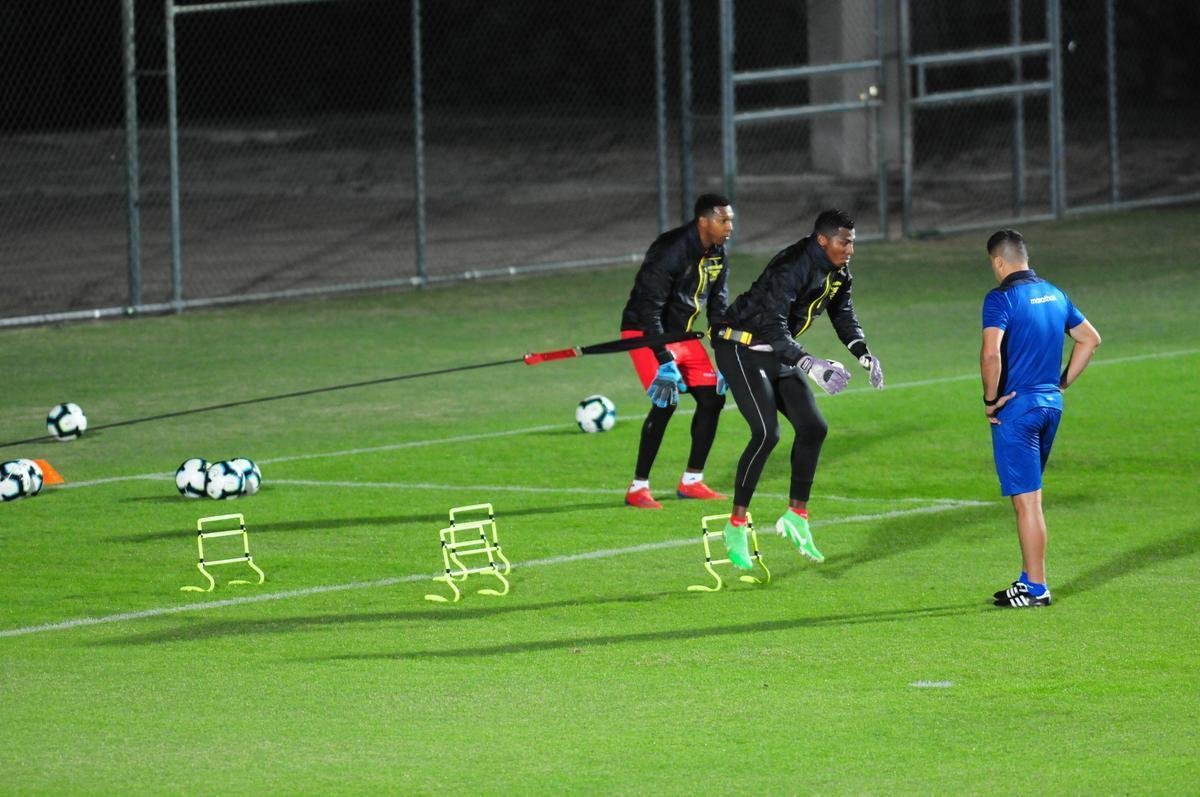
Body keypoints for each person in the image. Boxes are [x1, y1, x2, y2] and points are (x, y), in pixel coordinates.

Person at [711, 209, 884, 567]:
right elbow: (772, 324)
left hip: (776, 350)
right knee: (766, 434)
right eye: (844, 241)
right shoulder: (792, 265)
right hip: (740, 348)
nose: (850, 249)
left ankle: (796, 517)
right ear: (823, 240)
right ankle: (735, 526)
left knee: (813, 427)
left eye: (852, 241)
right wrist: (808, 362)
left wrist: (862, 353)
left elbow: (842, 313)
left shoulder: (837, 271)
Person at [981, 229, 1101, 608]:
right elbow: (1090, 340)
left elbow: (991, 355)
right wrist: (1060, 384)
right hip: (1050, 406)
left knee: (1028, 502)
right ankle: (1026, 577)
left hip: (1017, 410)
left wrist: (990, 400)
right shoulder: (1055, 294)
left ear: (999, 262)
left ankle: (1037, 587)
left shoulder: (1001, 298)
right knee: (1030, 497)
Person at [619, 194, 734, 509]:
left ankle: (692, 481)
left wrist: (723, 351)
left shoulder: (718, 252)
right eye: (724, 220)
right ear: (703, 221)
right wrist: (664, 360)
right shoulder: (670, 250)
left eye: (730, 220)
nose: (730, 227)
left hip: (682, 333)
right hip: (645, 331)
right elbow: (649, 308)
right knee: (665, 401)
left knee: (712, 399)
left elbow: (718, 303)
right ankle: (638, 487)